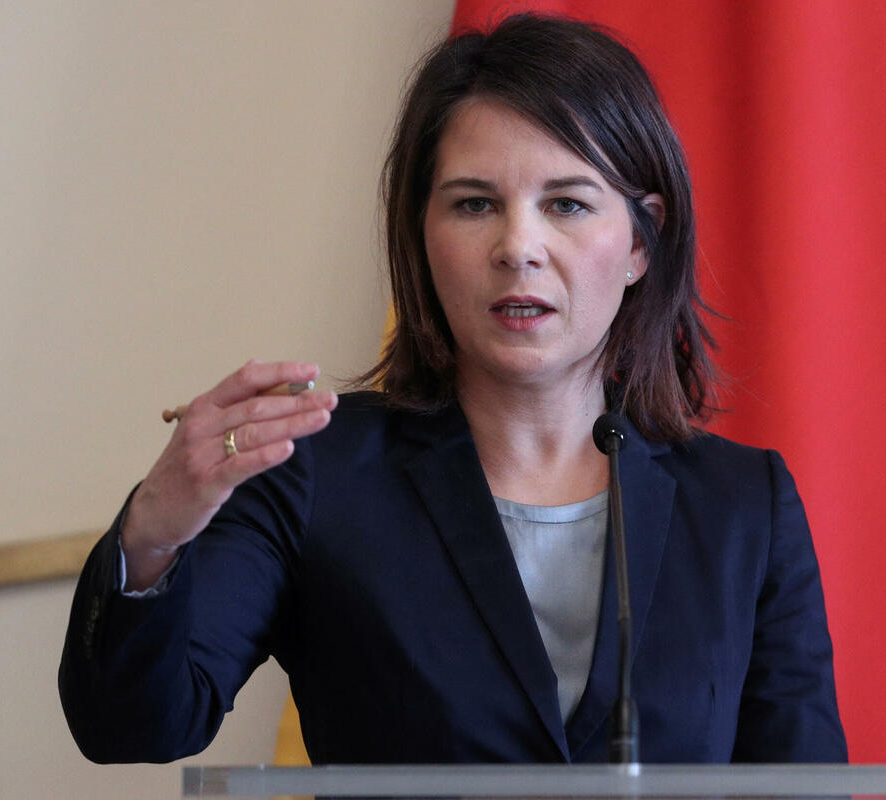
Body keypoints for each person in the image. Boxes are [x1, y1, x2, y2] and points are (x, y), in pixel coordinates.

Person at [59, 13, 846, 765]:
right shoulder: (311, 475)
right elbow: (134, 724)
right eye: (475, 204)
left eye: (567, 204)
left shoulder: (743, 508)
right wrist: (153, 535)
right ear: (421, 233)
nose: (518, 247)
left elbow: (800, 782)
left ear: (642, 242)